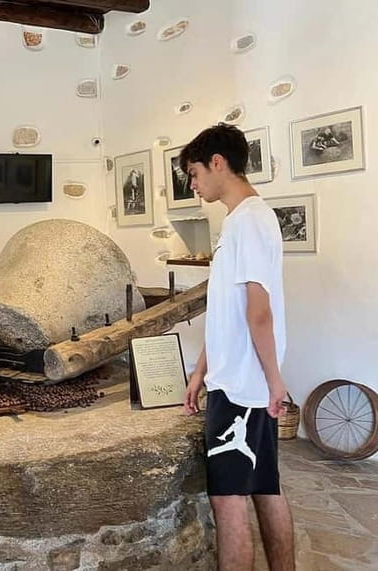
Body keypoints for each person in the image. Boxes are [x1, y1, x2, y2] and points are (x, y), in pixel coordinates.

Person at [181, 123, 294, 570]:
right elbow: (227, 311)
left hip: (242, 389)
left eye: (194, 173)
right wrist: (200, 372)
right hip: (238, 381)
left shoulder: (248, 220)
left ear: (218, 163)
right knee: (266, 488)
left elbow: (258, 312)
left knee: (228, 505)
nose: (193, 185)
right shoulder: (243, 220)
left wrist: (273, 382)